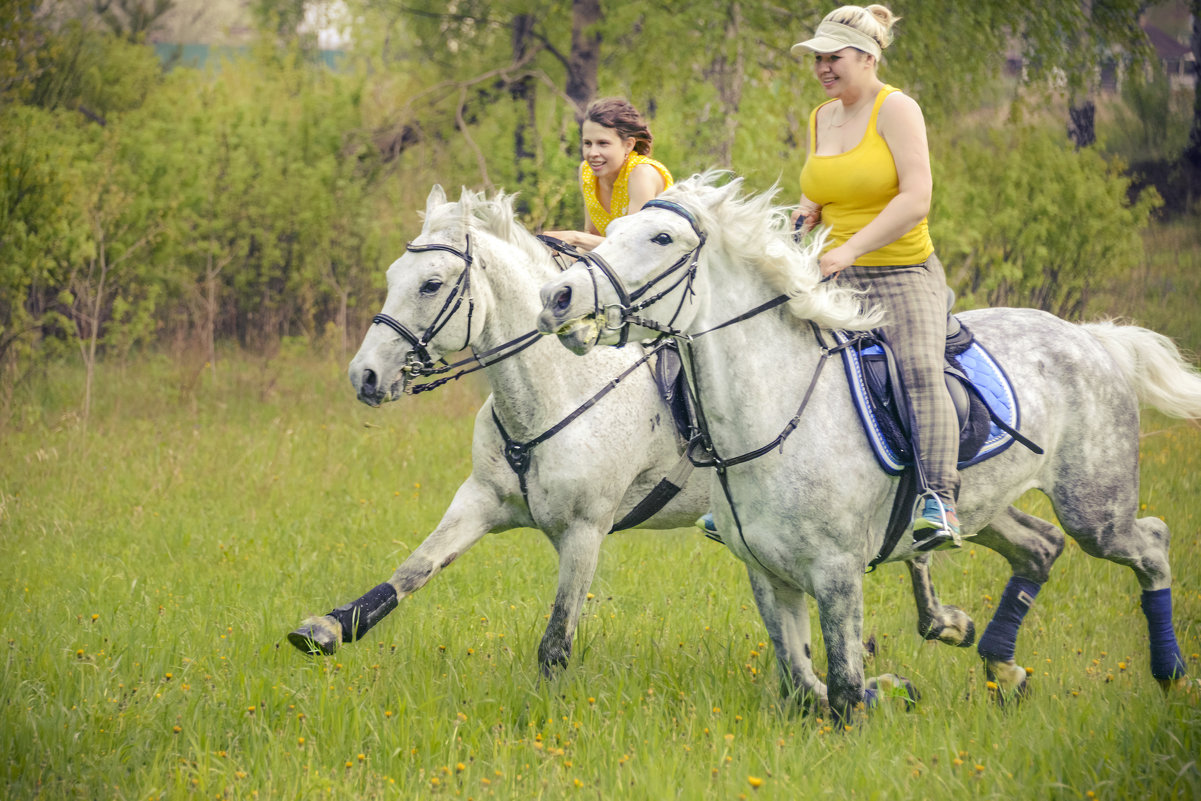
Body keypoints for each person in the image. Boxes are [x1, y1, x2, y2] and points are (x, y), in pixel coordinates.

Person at [791, 4, 964, 550]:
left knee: (917, 370)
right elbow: (819, 186)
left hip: (901, 271)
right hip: (830, 269)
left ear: (866, 58)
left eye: (833, 57)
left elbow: (916, 199)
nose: (822, 67)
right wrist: (802, 219)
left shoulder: (898, 108)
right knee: (777, 358)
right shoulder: (823, 116)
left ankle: (939, 498)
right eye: (817, 59)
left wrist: (850, 250)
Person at [544, 97, 673, 250]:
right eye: (587, 143)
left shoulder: (641, 174)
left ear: (628, 145)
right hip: (616, 266)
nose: (592, 153)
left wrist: (574, 238)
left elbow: (633, 246)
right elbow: (592, 236)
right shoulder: (586, 172)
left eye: (603, 143)